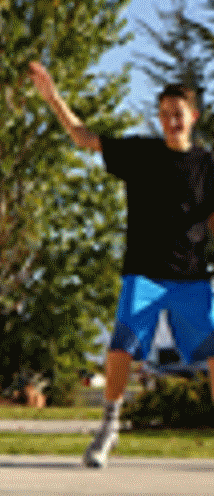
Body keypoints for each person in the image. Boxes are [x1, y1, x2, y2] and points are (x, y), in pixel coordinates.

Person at [28, 61, 214, 467]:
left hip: (191, 278)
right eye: (164, 114)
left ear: (193, 117)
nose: (171, 121)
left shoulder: (207, 167)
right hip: (144, 275)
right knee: (121, 347)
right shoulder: (141, 154)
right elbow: (84, 137)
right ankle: (109, 427)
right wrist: (53, 98)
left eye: (178, 114)